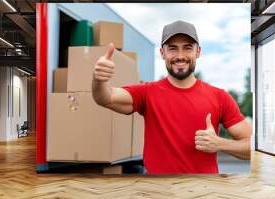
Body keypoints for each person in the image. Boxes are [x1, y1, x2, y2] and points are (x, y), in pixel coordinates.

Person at [91, 20, 252, 174]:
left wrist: (220, 144)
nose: (180, 55)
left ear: (198, 51)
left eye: (187, 48)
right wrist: (98, 80)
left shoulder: (220, 97)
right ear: (163, 53)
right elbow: (106, 98)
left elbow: (253, 147)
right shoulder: (147, 93)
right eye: (173, 48)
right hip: (159, 194)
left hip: (203, 194)